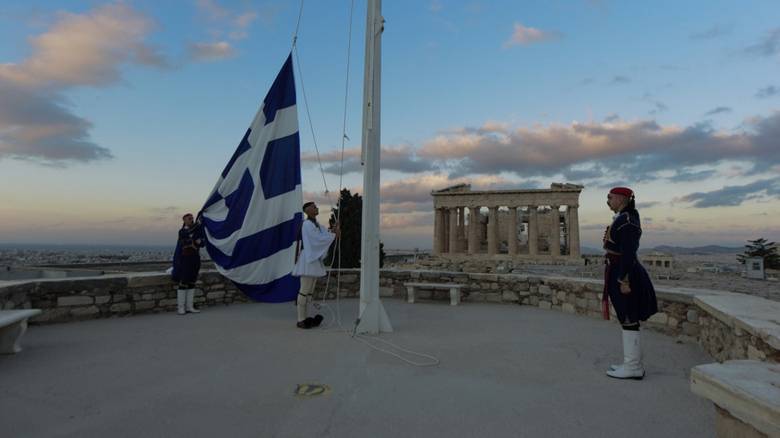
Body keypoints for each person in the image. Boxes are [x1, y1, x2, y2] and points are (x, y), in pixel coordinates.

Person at [602, 187, 658, 380]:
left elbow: (628, 252)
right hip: (618, 270)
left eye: (610, 198)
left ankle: (633, 366)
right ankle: (631, 363)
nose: (607, 201)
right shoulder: (624, 218)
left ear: (621, 198)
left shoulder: (627, 221)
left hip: (624, 273)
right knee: (626, 317)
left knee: (629, 316)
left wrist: (623, 279)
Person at [292, 202, 340, 329]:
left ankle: (305, 317)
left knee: (309, 291)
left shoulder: (316, 224)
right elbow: (316, 239)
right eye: (314, 207)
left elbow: (324, 234)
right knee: (304, 290)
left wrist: (333, 231)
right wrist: (333, 235)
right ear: (307, 210)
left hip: (313, 259)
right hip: (308, 259)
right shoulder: (307, 224)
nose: (316, 208)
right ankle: (300, 319)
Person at [172, 213, 205, 315]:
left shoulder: (198, 229)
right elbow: (185, 240)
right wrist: (195, 242)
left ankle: (189, 306)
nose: (191, 220)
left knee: (192, 282)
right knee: (183, 281)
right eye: (189, 219)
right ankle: (181, 308)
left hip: (195, 258)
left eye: (192, 218)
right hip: (185, 259)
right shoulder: (182, 231)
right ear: (184, 220)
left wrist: (195, 242)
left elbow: (202, 242)